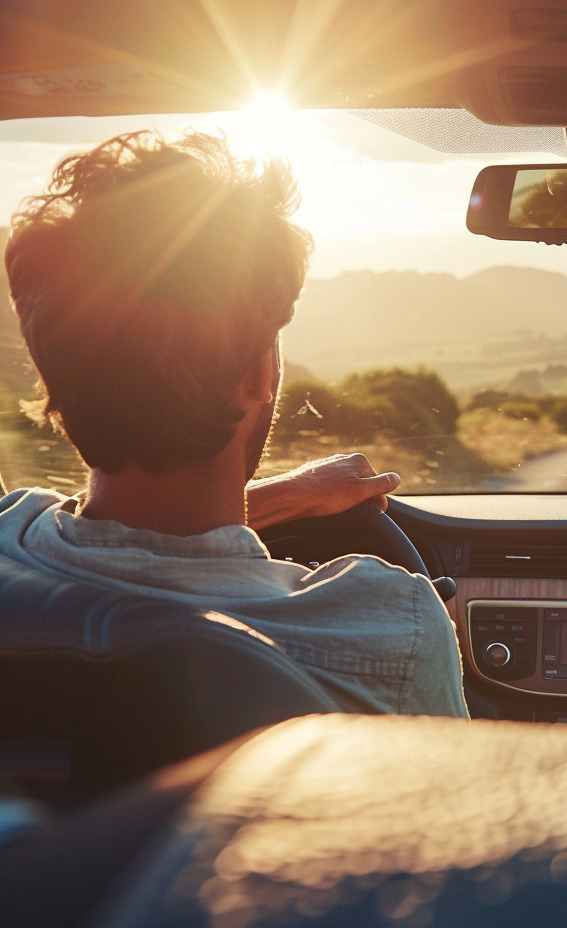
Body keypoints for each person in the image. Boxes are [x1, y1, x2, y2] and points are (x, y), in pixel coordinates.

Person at [0, 130, 467, 718]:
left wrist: (293, 495)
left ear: (54, 383)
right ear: (257, 372)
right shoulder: (397, 628)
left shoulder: (9, 539)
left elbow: (134, 546)